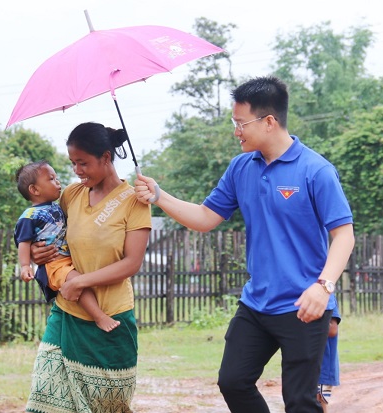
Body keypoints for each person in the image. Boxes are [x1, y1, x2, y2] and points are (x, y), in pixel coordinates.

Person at [135, 75, 355, 413]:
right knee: (233, 381)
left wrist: (323, 287)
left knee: (300, 401)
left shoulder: (316, 170)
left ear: (269, 122)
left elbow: (344, 234)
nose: (236, 131)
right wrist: (160, 196)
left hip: (304, 306)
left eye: (241, 123)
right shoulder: (241, 167)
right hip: (256, 304)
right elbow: (206, 217)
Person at [25, 122, 152, 413]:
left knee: (108, 407)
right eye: (73, 163)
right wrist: (35, 251)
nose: (77, 171)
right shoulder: (72, 195)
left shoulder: (135, 201)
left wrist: (81, 282)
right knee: (44, 401)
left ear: (106, 158)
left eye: (83, 163)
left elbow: (131, 263)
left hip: (111, 316)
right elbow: (47, 232)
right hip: (66, 313)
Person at [13, 160, 120, 332]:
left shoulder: (57, 206)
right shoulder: (30, 215)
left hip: (68, 259)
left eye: (56, 177)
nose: (58, 182)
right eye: (51, 179)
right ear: (34, 190)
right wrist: (26, 265)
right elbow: (23, 242)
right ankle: (100, 317)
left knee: (80, 282)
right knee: (78, 283)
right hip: (54, 264)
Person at [318, 306, 341, 413]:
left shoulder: (325, 295)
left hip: (322, 365)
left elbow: (332, 329)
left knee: (318, 403)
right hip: (307, 363)